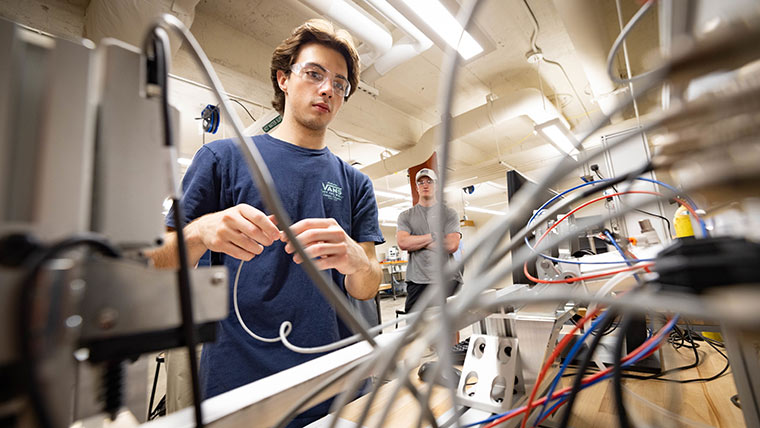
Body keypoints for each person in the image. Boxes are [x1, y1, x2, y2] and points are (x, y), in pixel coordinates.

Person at [146, 19, 384, 426]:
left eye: (340, 84)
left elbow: (366, 287)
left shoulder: (355, 182)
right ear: (284, 79)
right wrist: (201, 232)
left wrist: (358, 262)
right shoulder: (222, 160)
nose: (328, 88)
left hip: (335, 380)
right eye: (314, 74)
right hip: (242, 382)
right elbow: (156, 263)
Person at [396, 168, 461, 313]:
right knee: (415, 329)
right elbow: (403, 243)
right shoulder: (406, 216)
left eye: (429, 181)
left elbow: (451, 245)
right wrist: (434, 236)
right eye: (420, 182)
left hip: (446, 280)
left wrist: (417, 243)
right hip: (417, 281)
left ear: (436, 185)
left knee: (450, 326)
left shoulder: (449, 214)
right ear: (417, 188)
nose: (425, 185)